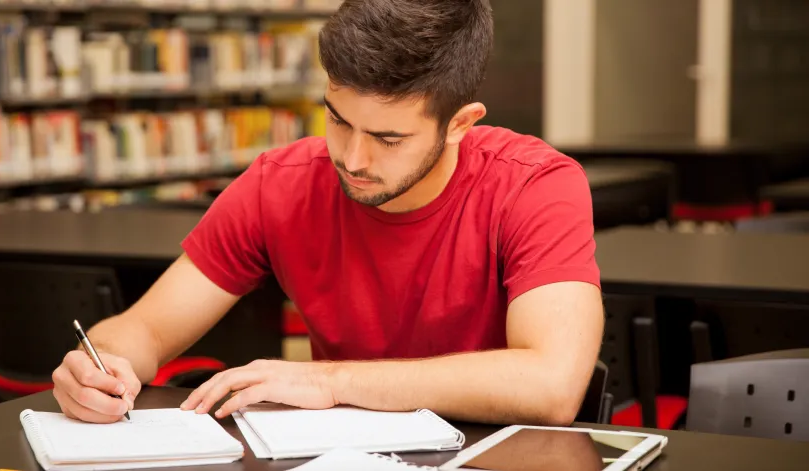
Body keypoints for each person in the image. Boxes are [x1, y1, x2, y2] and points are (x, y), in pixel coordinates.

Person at [51, 0, 604, 426]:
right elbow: (145, 330)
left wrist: (332, 381)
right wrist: (99, 365)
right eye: (338, 119)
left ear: (461, 123)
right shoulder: (281, 182)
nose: (352, 159)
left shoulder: (534, 185)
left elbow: (551, 386)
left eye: (388, 138)